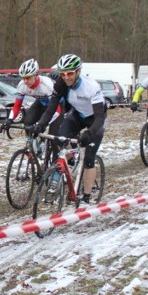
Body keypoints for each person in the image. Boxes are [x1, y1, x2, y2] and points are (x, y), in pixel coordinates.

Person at [29, 54, 106, 205]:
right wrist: (41, 125)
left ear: (78, 72)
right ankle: (69, 161)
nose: (66, 77)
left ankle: (86, 197)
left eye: (70, 73)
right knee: (61, 138)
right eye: (63, 73)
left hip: (95, 120)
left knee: (89, 159)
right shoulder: (61, 84)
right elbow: (51, 109)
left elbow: (100, 118)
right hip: (77, 115)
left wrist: (89, 133)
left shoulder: (91, 86)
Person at [0, 58, 62, 137]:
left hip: (57, 106)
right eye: (23, 78)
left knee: (53, 135)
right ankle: (33, 146)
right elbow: (17, 106)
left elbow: (57, 111)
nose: (25, 81)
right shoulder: (22, 85)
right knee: (28, 123)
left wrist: (41, 124)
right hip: (41, 103)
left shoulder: (47, 85)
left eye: (28, 77)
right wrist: (9, 120)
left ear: (36, 75)